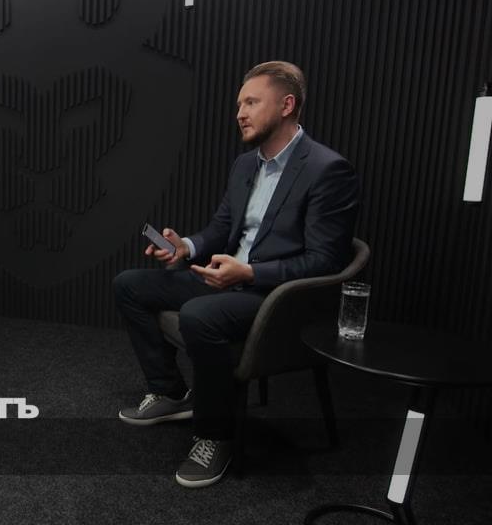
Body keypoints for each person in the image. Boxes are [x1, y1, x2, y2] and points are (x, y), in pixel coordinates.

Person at [112, 62, 359, 488]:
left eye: (251, 102)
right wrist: (185, 246)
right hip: (227, 277)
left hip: (278, 296)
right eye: (239, 104)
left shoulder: (327, 169)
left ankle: (215, 435)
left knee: (198, 316)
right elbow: (221, 229)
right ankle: (171, 392)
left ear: (287, 105)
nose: (240, 113)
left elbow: (325, 262)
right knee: (129, 285)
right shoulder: (246, 165)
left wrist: (249, 272)